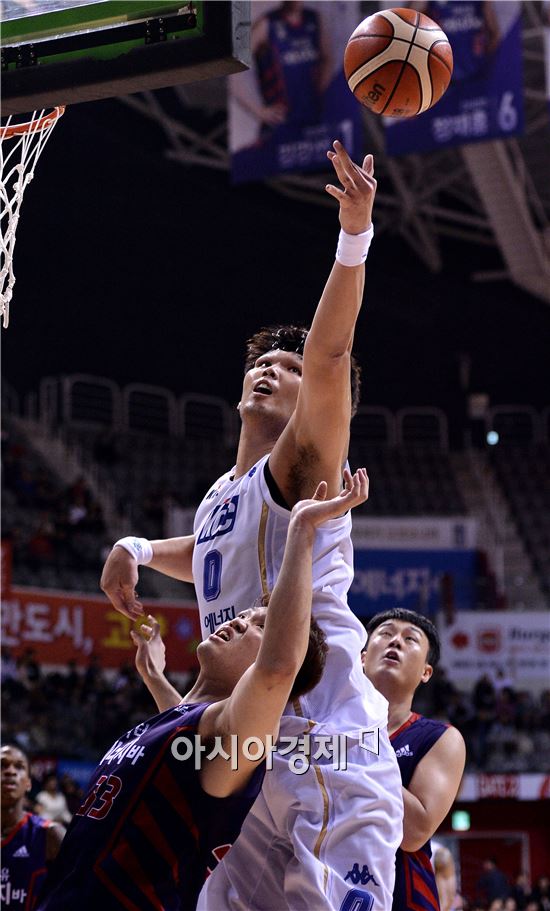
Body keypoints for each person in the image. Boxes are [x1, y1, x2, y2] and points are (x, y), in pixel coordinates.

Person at [101, 140, 403, 910]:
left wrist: (355, 234)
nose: (272, 367)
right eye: (263, 362)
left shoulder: (304, 462)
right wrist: (134, 549)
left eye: (288, 368)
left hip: (325, 740)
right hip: (245, 744)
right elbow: (203, 548)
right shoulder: (219, 495)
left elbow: (332, 354)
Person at [39, 474, 366, 910]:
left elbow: (277, 668)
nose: (241, 620)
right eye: (249, 614)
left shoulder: (236, 735)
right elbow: (186, 738)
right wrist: (155, 677)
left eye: (260, 627)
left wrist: (302, 533)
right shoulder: (189, 727)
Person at [361, 609, 466, 911]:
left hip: (401, 900)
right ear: (362, 657)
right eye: (385, 634)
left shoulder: (441, 738)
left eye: (410, 639)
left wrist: (360, 742)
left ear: (426, 672)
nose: (395, 641)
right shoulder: (326, 730)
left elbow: (413, 832)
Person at [1, 745, 65, 909]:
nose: (10, 771)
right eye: (2, 765)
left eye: (19, 767)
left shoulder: (50, 834)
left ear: (28, 783)